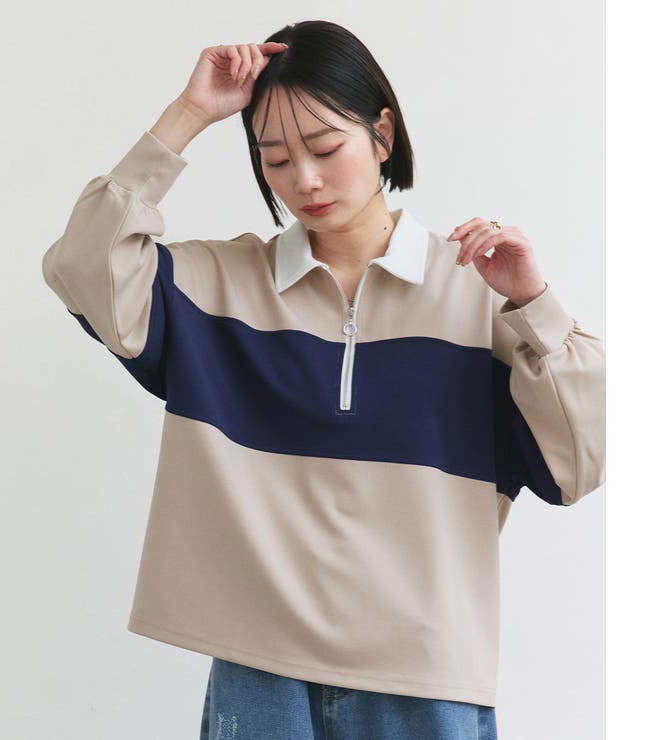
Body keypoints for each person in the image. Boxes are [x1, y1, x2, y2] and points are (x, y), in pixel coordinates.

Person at [41, 20, 606, 740]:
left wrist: (534, 303)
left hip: (424, 676)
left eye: (325, 148)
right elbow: (81, 266)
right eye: (274, 158)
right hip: (259, 668)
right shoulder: (219, 285)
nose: (302, 180)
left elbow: (582, 461)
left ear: (382, 134)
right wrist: (187, 116)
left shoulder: (478, 293)